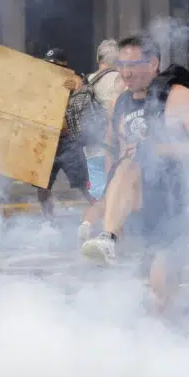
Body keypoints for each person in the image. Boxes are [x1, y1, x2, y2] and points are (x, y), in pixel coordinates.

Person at [79, 34, 189, 312]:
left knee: (162, 288)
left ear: (153, 64)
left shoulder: (177, 97)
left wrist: (161, 149)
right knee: (130, 163)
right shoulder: (120, 102)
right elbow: (117, 155)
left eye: (134, 64)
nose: (126, 72)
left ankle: (172, 341)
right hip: (139, 199)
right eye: (121, 64)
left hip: (174, 201)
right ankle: (109, 238)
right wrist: (103, 204)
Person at [78, 40, 126, 243]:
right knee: (115, 194)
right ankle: (110, 239)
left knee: (99, 193)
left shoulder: (87, 80)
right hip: (111, 146)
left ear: (98, 59)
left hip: (90, 145)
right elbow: (117, 114)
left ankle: (88, 226)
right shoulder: (120, 80)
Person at [37, 48, 93, 217]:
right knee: (42, 185)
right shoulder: (41, 83)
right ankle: (49, 221)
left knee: (84, 185)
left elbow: (87, 92)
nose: (50, 69)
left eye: (54, 65)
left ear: (64, 66)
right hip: (47, 140)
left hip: (69, 142)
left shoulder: (75, 81)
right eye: (48, 65)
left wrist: (78, 86)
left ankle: (103, 217)